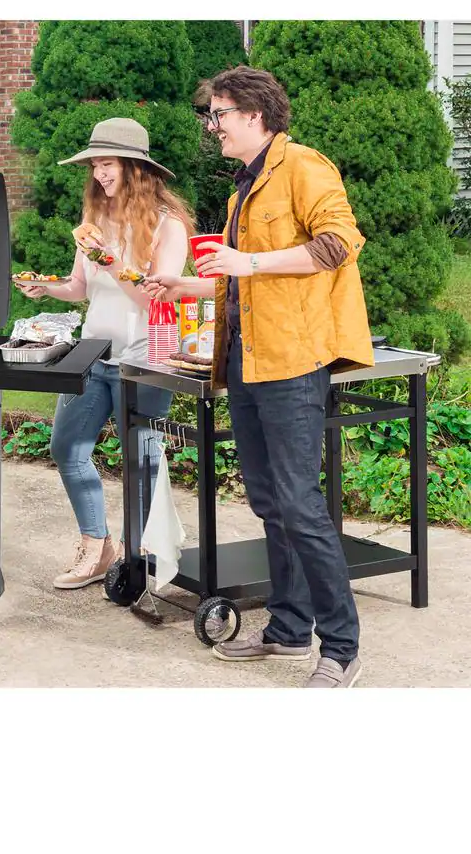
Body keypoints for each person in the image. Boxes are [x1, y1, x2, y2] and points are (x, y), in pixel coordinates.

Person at [145, 66, 374, 688]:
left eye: (219, 114)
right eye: (212, 115)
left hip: (294, 363)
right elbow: (244, 282)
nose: (212, 126)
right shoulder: (241, 191)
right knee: (271, 502)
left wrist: (247, 260)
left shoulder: (303, 166)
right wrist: (185, 284)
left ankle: (342, 646)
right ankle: (289, 630)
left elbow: (339, 243)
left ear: (254, 115)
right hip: (246, 363)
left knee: (300, 504)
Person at [15, 117, 193, 590]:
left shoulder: (169, 225)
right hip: (93, 354)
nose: (99, 174)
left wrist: (110, 262)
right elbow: (80, 287)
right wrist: (46, 286)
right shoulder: (94, 221)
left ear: (135, 167)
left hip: (145, 359)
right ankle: (97, 547)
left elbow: (156, 299)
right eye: (94, 165)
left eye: (107, 164)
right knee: (67, 447)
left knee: (142, 458)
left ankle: (140, 556)